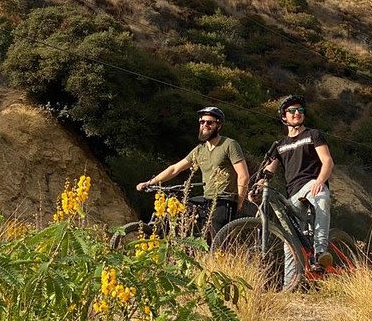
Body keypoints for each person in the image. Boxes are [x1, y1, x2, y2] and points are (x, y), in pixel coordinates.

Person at [136, 106, 249, 234]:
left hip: (224, 200)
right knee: (179, 208)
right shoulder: (200, 150)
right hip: (207, 199)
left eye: (209, 122)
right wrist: (150, 182)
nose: (205, 125)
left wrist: (239, 202)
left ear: (219, 126)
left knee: (217, 242)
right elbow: (175, 169)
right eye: (202, 122)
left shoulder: (229, 145)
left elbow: (243, 175)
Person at [262, 95, 334, 278]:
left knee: (322, 199)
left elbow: (327, 162)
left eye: (300, 111)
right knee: (289, 241)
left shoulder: (313, 135)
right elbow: (268, 172)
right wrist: (258, 185)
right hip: (292, 194)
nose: (297, 114)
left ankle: (320, 252)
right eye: (292, 111)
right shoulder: (280, 145)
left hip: (312, 184)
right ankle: (290, 286)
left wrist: (320, 181)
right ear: (284, 117)